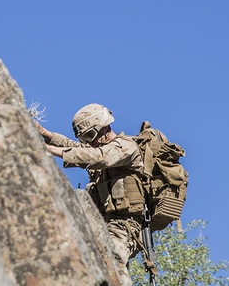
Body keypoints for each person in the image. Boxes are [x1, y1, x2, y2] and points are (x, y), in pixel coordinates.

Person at [34, 103, 146, 267]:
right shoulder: (98, 147)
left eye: (90, 136)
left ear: (103, 128)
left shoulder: (126, 147)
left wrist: (48, 149)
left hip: (125, 227)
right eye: (84, 138)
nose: (88, 142)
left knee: (111, 262)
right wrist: (46, 134)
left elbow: (98, 157)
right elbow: (77, 148)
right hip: (100, 223)